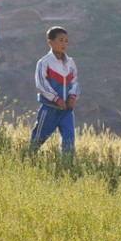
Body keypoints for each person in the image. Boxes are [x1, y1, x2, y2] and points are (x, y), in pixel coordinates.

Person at [28, 26, 80, 155]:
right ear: (50, 41)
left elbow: (75, 82)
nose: (64, 44)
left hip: (67, 110)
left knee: (69, 140)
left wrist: (72, 97)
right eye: (60, 40)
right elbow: (41, 84)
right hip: (49, 108)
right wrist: (56, 99)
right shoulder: (44, 62)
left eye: (66, 40)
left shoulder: (70, 63)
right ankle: (26, 159)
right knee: (38, 139)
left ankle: (67, 166)